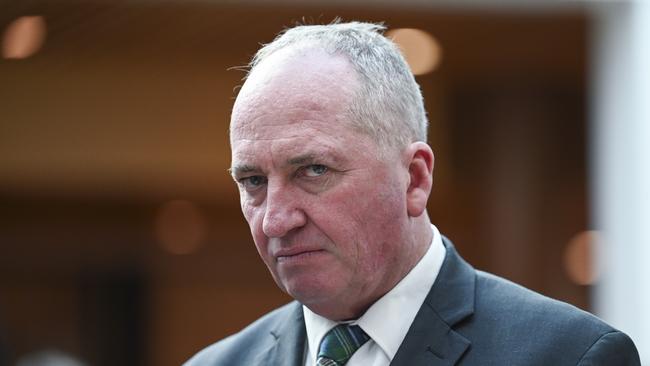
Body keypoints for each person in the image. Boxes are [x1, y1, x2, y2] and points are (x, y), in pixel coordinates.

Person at [185, 21, 641, 366]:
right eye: (254, 183)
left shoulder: (570, 356)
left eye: (313, 170)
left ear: (415, 178)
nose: (275, 221)